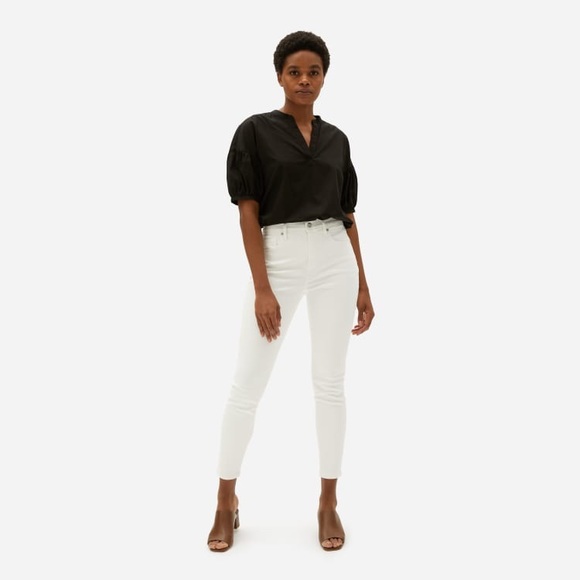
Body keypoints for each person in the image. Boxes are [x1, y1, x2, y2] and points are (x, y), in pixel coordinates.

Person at [207, 30, 375, 552]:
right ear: (279, 76)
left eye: (314, 72)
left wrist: (364, 283)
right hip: (277, 258)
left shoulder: (337, 139)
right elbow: (248, 211)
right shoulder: (255, 132)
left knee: (330, 383)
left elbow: (347, 214)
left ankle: (328, 501)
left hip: (334, 259)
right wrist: (262, 287)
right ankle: (225, 500)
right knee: (247, 385)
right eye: (295, 72)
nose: (305, 80)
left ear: (325, 77)